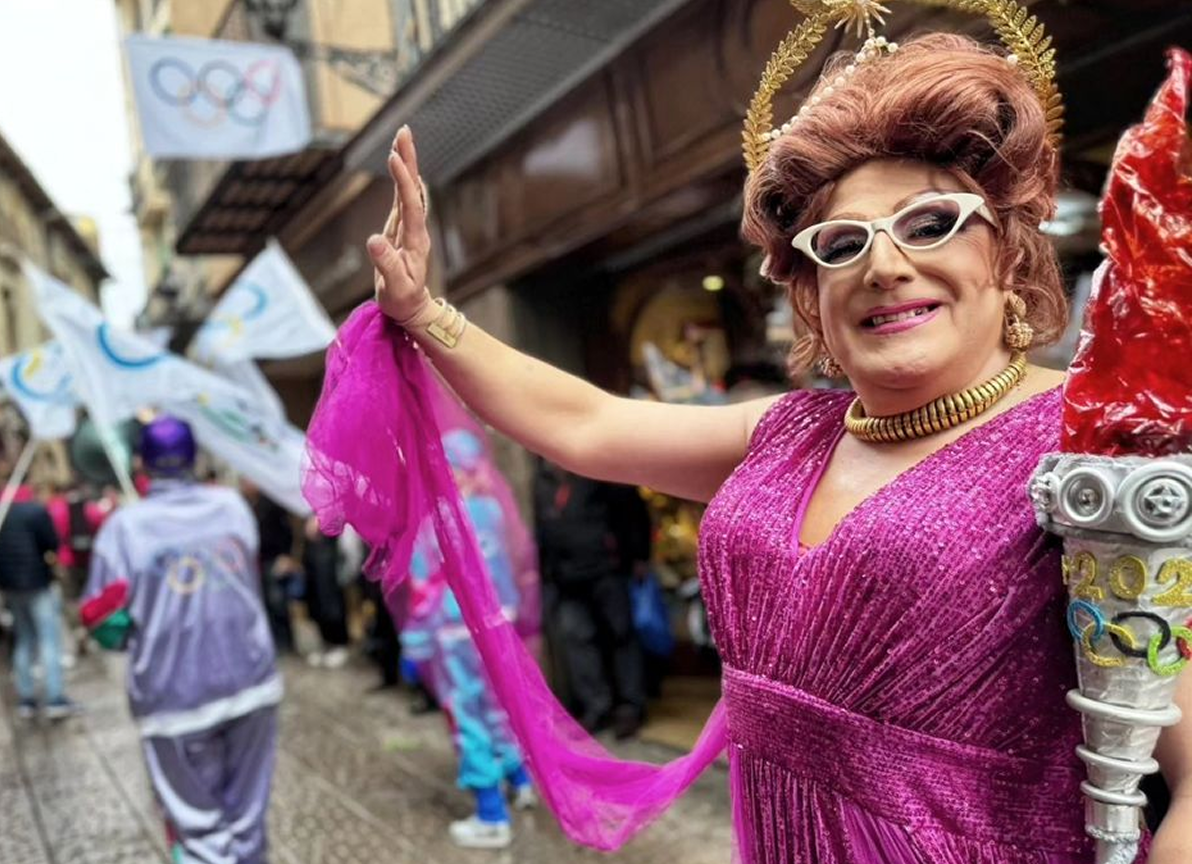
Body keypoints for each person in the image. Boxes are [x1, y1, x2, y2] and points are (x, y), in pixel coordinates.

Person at [359, 27, 1192, 864]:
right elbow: (588, 425)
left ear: (1007, 252)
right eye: (843, 244)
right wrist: (425, 314)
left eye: (932, 223)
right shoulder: (788, 434)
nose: (887, 265)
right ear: (813, 295)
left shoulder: (1098, 450)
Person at [81, 416, 281, 864]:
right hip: (249, 679)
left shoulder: (124, 528)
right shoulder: (231, 507)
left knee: (197, 828)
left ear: (142, 464)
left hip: (172, 697)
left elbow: (105, 622)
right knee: (247, 819)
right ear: (195, 458)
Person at [400, 427, 539, 849]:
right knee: (499, 705)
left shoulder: (435, 520)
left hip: (453, 631)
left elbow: (423, 589)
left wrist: (415, 642)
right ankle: (521, 780)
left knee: (467, 714)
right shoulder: (491, 510)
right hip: (497, 627)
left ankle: (490, 813)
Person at [533, 461, 649, 739]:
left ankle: (630, 708)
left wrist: (638, 555)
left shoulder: (593, 467)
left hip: (606, 570)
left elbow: (630, 510)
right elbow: (542, 525)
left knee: (621, 636)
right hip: (566, 577)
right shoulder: (543, 479)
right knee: (577, 639)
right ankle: (597, 706)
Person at [0, 480, 77, 720]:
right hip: (38, 582)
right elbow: (51, 543)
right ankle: (55, 698)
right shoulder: (35, 511)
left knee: (24, 638)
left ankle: (27, 698)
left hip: (9, 585)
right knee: (49, 639)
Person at [241, 478, 298, 655]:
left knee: (278, 602)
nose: (246, 485)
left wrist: (287, 555)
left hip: (275, 559)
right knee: (267, 602)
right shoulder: (247, 505)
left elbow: (287, 530)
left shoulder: (271, 503)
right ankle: (276, 642)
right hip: (259, 561)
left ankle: (286, 643)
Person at [301, 515, 350, 668]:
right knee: (316, 600)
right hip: (313, 557)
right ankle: (326, 643)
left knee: (331, 600)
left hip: (330, 556)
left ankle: (339, 644)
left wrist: (322, 519)